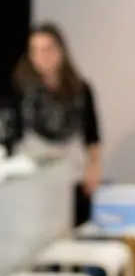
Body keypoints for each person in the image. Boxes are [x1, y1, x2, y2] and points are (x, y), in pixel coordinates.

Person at [12, 23, 102, 226]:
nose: (41, 56)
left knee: (72, 226)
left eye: (47, 49)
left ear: (60, 50)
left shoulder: (81, 90)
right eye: (35, 50)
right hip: (33, 170)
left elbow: (92, 134)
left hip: (71, 168)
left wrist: (94, 166)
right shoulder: (19, 89)